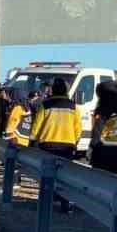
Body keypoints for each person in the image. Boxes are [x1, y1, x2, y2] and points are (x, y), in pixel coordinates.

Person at [31, 78, 79, 211]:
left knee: (46, 175)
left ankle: (46, 204)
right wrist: (75, 141)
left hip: (47, 144)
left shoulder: (45, 105)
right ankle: (64, 204)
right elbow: (78, 128)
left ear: (53, 90)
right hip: (67, 145)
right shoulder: (73, 106)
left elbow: (36, 125)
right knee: (64, 177)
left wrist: (32, 141)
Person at [88, 80, 117, 174]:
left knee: (98, 178)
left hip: (101, 152)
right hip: (116, 152)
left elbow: (97, 132)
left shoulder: (102, 112)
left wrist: (91, 148)